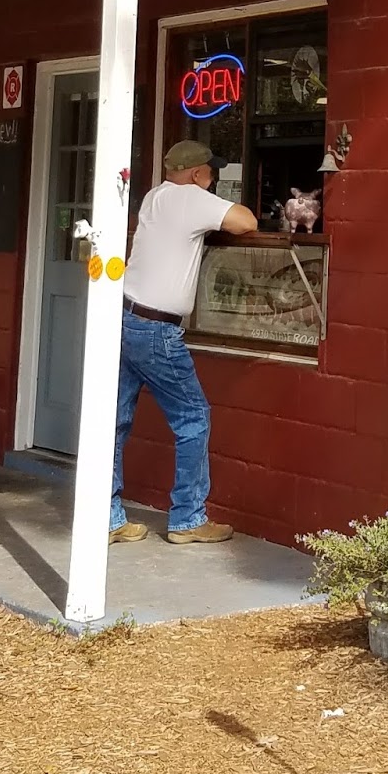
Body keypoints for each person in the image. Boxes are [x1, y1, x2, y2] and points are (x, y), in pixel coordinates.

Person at [111, 140, 258, 545]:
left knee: (117, 420)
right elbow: (246, 221)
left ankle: (108, 516)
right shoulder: (192, 198)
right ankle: (188, 518)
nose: (213, 179)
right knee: (193, 418)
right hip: (157, 330)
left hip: (125, 318)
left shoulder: (155, 197)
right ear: (197, 174)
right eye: (211, 172)